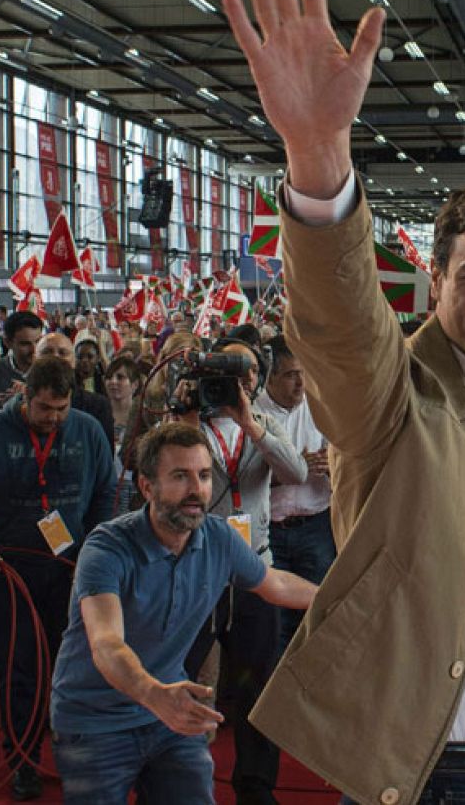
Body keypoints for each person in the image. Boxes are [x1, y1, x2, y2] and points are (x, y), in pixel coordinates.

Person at [224, 0, 465, 805]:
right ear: (437, 284)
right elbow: (340, 328)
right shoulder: (395, 399)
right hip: (428, 782)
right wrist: (318, 155)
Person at [50, 423, 318, 805]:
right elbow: (106, 643)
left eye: (204, 476)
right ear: (146, 487)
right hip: (95, 720)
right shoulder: (106, 547)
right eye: (180, 476)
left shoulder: (219, 537)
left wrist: (339, 598)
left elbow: (275, 585)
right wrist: (153, 694)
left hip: (169, 717)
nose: (197, 490)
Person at [0, 355, 118, 800]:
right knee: (21, 668)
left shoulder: (88, 431)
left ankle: (72, 754)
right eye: (43, 409)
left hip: (71, 571)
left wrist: (92, 553)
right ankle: (22, 760)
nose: (52, 419)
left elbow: (104, 494)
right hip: (6, 571)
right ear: (24, 396)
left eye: (60, 409)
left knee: (73, 666)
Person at [179, 338, 306, 805]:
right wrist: (187, 419)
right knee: (183, 677)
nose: (240, 379)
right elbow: (164, 477)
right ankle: (179, 779)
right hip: (197, 571)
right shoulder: (192, 422)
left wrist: (251, 425)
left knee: (257, 685)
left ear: (257, 378)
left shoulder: (267, 424)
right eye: (229, 370)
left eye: (248, 371)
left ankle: (256, 789)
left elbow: (294, 472)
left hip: (256, 571)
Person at [257, 336, 336, 647]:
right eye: (291, 375)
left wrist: (334, 465)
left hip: (315, 528)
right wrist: (292, 470)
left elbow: (349, 460)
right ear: (271, 377)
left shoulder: (323, 408)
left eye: (304, 373)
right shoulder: (252, 414)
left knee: (314, 615)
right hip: (268, 533)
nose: (300, 383)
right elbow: (242, 476)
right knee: (270, 624)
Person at [38, 331, 117, 449]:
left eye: (62, 353)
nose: (55, 358)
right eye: (47, 352)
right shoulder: (21, 404)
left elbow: (105, 458)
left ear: (73, 361)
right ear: (35, 358)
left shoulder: (98, 405)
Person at [0, 310, 44, 418]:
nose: (34, 349)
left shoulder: (52, 370)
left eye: (38, 341)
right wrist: (10, 409)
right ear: (7, 342)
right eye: (25, 344)